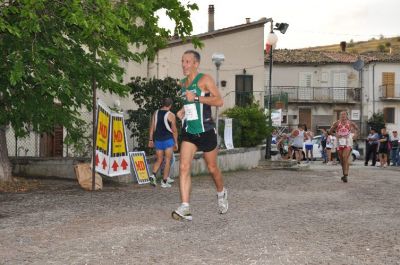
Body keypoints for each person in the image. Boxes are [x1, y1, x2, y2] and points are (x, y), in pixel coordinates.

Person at [171, 50, 227, 221]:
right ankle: (185, 207)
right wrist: (181, 111)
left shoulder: (205, 79)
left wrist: (196, 98)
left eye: (187, 61)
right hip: (189, 131)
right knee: (184, 167)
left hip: (206, 130)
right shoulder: (182, 83)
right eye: (182, 61)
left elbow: (219, 101)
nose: (184, 65)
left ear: (196, 64)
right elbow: (189, 105)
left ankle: (221, 192)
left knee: (212, 168)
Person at [148, 98, 178, 188]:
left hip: (158, 140)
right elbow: (174, 130)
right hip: (168, 140)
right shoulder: (171, 115)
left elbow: (152, 127)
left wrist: (150, 140)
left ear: (162, 104)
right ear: (170, 105)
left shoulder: (155, 113)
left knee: (159, 159)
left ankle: (153, 175)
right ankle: (164, 182)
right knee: (168, 160)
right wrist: (176, 142)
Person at [329, 111, 359, 183]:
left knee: (345, 157)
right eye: (341, 114)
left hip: (347, 141)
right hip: (339, 142)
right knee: (342, 160)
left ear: (347, 116)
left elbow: (357, 129)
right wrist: (335, 135)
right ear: (339, 116)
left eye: (344, 114)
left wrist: (355, 135)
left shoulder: (350, 123)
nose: (343, 116)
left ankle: (346, 174)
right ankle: (344, 175)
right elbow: (330, 132)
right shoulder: (336, 123)